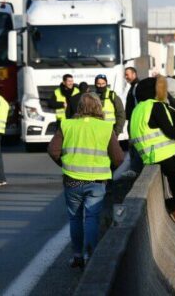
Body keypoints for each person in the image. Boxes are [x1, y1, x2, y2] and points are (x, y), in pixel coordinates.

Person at [48, 93, 124, 269]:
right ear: (99, 107)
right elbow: (119, 158)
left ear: (79, 107)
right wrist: (106, 169)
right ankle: (90, 255)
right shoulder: (106, 128)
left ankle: (76, 256)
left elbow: (53, 150)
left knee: (75, 218)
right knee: (92, 217)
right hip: (97, 181)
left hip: (72, 180)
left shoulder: (67, 125)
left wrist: (65, 163)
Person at [130, 75, 175, 228]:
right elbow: (168, 130)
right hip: (163, 154)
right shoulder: (155, 105)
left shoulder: (138, 108)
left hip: (149, 156)